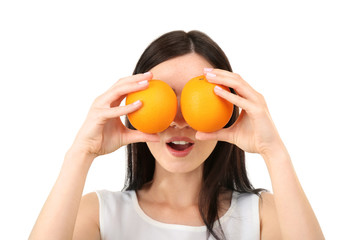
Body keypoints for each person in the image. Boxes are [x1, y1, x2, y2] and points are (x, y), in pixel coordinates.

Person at [29, 30, 324, 240]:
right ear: (133, 108)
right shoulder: (99, 214)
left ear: (230, 108)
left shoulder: (262, 216)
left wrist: (274, 152)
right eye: (166, 99)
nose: (179, 122)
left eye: (198, 101)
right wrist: (81, 153)